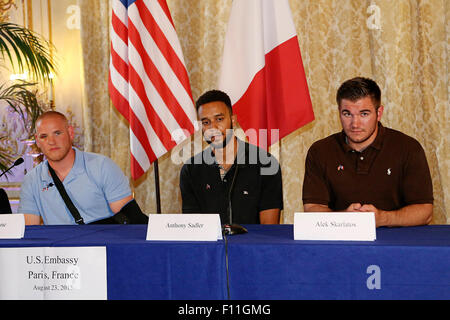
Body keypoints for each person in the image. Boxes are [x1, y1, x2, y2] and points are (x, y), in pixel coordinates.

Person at [302, 77, 433, 227]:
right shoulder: (320, 151)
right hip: (340, 242)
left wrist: (382, 219)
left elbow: (425, 212)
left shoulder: (408, 148)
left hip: (398, 243)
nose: (355, 124)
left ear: (379, 113)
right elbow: (312, 208)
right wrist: (346, 218)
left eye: (364, 114)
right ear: (338, 113)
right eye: (347, 114)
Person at [18, 111, 147, 225]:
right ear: (37, 141)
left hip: (103, 248)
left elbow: (131, 221)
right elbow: (30, 232)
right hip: (60, 251)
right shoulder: (31, 179)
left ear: (70, 133)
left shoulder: (102, 166)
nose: (51, 141)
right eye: (44, 136)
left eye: (57, 133)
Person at [180, 90, 283, 225]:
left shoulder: (266, 164)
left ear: (233, 120)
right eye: (206, 122)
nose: (213, 128)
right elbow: (193, 228)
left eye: (219, 119)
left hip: (253, 245)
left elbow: (269, 231)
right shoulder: (190, 170)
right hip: (209, 246)